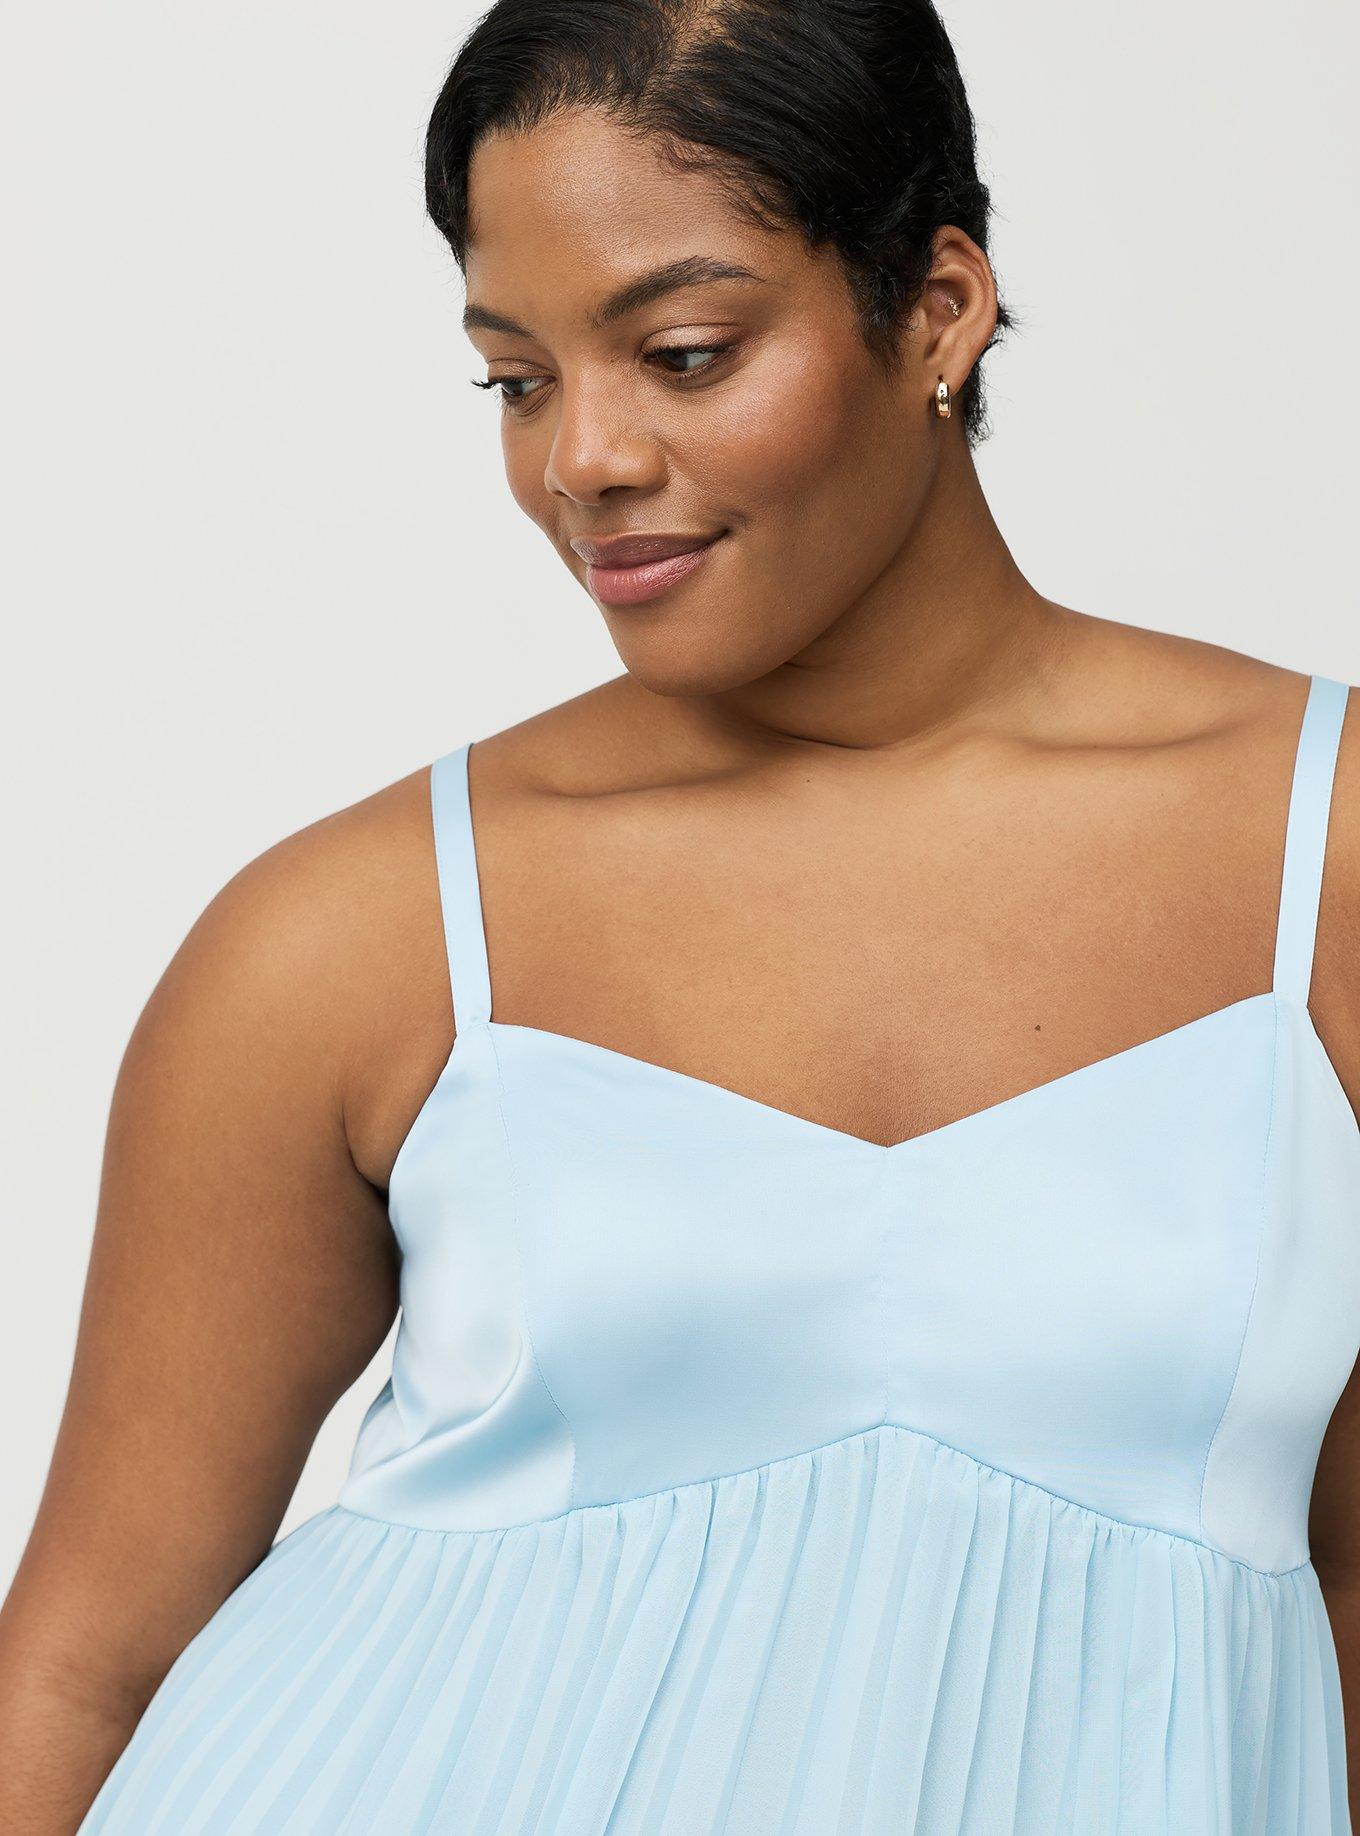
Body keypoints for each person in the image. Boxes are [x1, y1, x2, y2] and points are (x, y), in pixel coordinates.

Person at [3, 1, 1359, 1830]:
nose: (582, 458)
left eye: (684, 354)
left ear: (939, 306)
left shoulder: (1321, 854)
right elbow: (86, 1661)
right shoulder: (358, 931)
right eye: (517, 379)